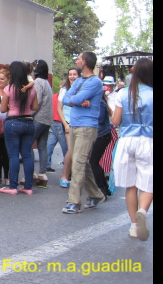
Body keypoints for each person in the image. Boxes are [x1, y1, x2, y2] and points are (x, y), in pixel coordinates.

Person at [111, 58, 153, 241]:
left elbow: (116, 121)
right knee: (148, 182)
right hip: (148, 141)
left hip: (127, 141)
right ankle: (142, 210)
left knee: (131, 185)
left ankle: (134, 225)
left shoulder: (123, 93)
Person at [61, 51, 107, 214]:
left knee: (78, 162)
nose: (76, 61)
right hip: (75, 125)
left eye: (78, 59)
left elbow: (75, 99)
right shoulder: (80, 80)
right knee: (78, 161)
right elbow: (66, 99)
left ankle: (74, 202)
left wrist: (76, 100)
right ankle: (96, 195)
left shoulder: (95, 82)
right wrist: (77, 101)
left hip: (87, 127)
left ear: (85, 62)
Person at [0, 61, 39, 195]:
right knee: (27, 155)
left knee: (13, 155)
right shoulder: (31, 89)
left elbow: (3, 109)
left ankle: (12, 186)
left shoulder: (9, 89)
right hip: (28, 122)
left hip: (13, 122)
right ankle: (28, 187)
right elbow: (35, 107)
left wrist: (11, 106)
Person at [31, 60, 54, 188]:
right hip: (48, 119)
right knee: (42, 146)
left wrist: (30, 115)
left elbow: (37, 102)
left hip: (39, 118)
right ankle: (42, 174)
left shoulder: (38, 82)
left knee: (28, 143)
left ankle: (32, 173)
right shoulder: (47, 83)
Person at [57, 68, 80, 187]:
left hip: (80, 123)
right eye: (70, 74)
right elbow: (59, 108)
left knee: (78, 151)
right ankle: (64, 176)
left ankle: (74, 176)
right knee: (71, 150)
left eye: (74, 74)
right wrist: (65, 124)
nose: (72, 76)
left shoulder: (82, 89)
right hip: (68, 122)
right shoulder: (64, 90)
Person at [89, 90, 113, 198]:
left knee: (93, 162)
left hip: (102, 135)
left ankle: (102, 189)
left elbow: (100, 119)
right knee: (95, 161)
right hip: (102, 135)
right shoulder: (100, 102)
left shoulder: (99, 103)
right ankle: (105, 187)